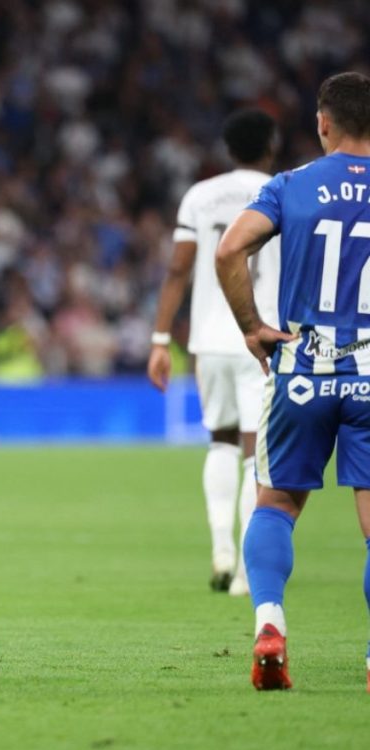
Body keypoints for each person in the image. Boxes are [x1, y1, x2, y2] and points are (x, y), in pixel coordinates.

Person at [216, 71, 370, 691]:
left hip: (302, 365)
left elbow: (230, 251)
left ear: (323, 123)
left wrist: (254, 327)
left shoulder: (291, 185)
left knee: (276, 504)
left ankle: (270, 624)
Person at [148, 109, 280, 597]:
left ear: (228, 149)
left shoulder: (200, 196)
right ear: (270, 146)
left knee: (220, 440)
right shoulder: (283, 190)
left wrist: (161, 340)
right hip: (261, 338)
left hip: (207, 340)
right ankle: (246, 571)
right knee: (255, 456)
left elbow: (177, 271)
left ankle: (221, 547)